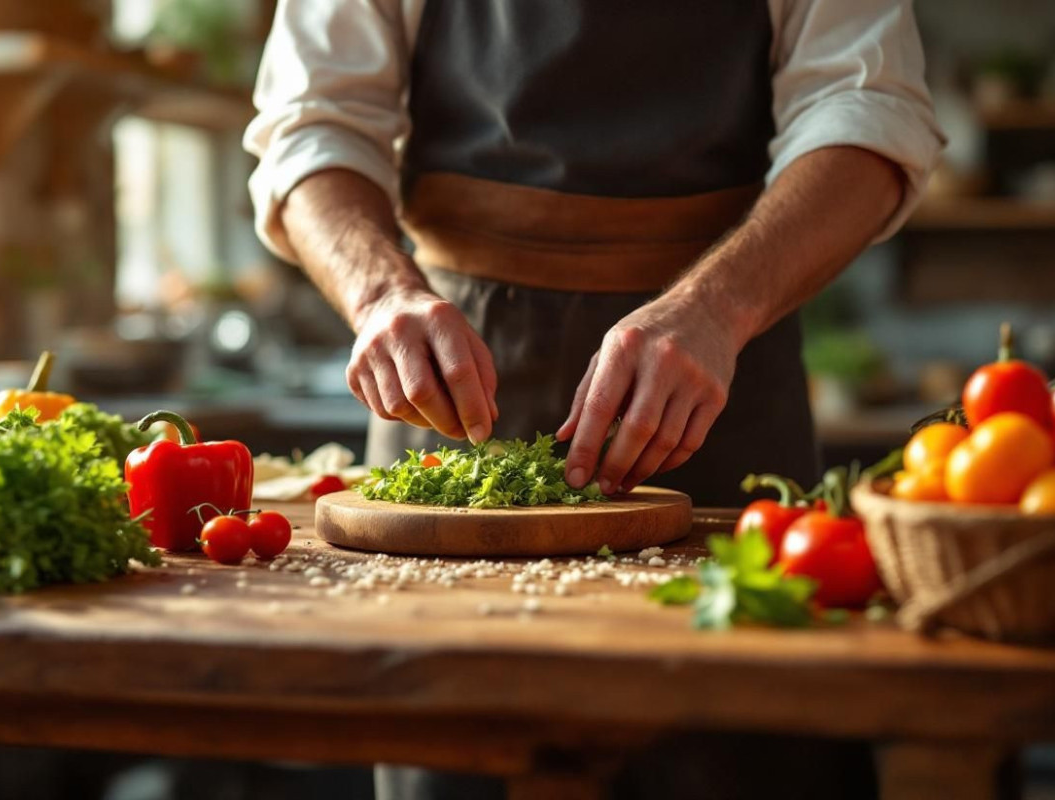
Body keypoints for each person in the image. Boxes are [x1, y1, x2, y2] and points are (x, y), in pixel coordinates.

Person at [246, 2, 942, 796]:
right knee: (452, 750)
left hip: (726, 387)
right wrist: (378, 295)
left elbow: (871, 109)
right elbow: (312, 124)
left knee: (753, 752)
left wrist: (716, 310)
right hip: (447, 400)